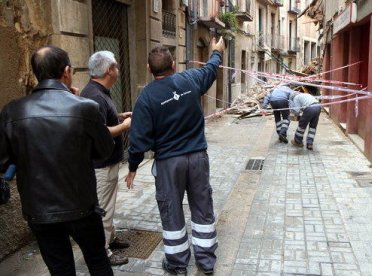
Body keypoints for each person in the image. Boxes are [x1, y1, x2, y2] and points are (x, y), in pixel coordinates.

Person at [0, 45, 114, 275]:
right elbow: (104, 151)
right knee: (98, 263)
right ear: (67, 71)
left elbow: (3, 161)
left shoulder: (12, 111)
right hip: (82, 206)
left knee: (60, 269)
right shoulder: (85, 108)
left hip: (40, 211)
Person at [125, 37, 225, 275]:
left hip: (169, 163)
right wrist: (216, 52)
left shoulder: (146, 98)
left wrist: (132, 167)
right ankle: (206, 261)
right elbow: (211, 70)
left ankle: (178, 265)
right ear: (173, 66)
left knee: (171, 209)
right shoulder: (190, 79)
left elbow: (139, 141)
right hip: (198, 158)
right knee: (202, 205)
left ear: (149, 69)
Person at [81, 51, 131, 266]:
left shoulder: (99, 92)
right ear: (109, 70)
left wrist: (118, 116)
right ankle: (103, 253)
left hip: (107, 162)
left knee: (109, 205)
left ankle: (110, 238)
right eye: (116, 67)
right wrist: (124, 126)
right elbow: (100, 131)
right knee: (103, 209)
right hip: (101, 165)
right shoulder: (95, 96)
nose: (118, 71)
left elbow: (100, 120)